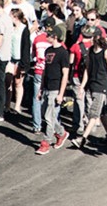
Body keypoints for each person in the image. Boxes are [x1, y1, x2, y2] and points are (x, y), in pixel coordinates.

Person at [36, 24, 70, 155]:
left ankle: (46, 142)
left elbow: (65, 74)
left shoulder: (63, 52)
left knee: (49, 117)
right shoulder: (48, 50)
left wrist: (61, 93)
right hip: (47, 87)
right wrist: (41, 88)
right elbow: (45, 70)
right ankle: (61, 133)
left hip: (56, 88)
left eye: (49, 35)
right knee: (46, 113)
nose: (46, 36)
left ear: (55, 37)